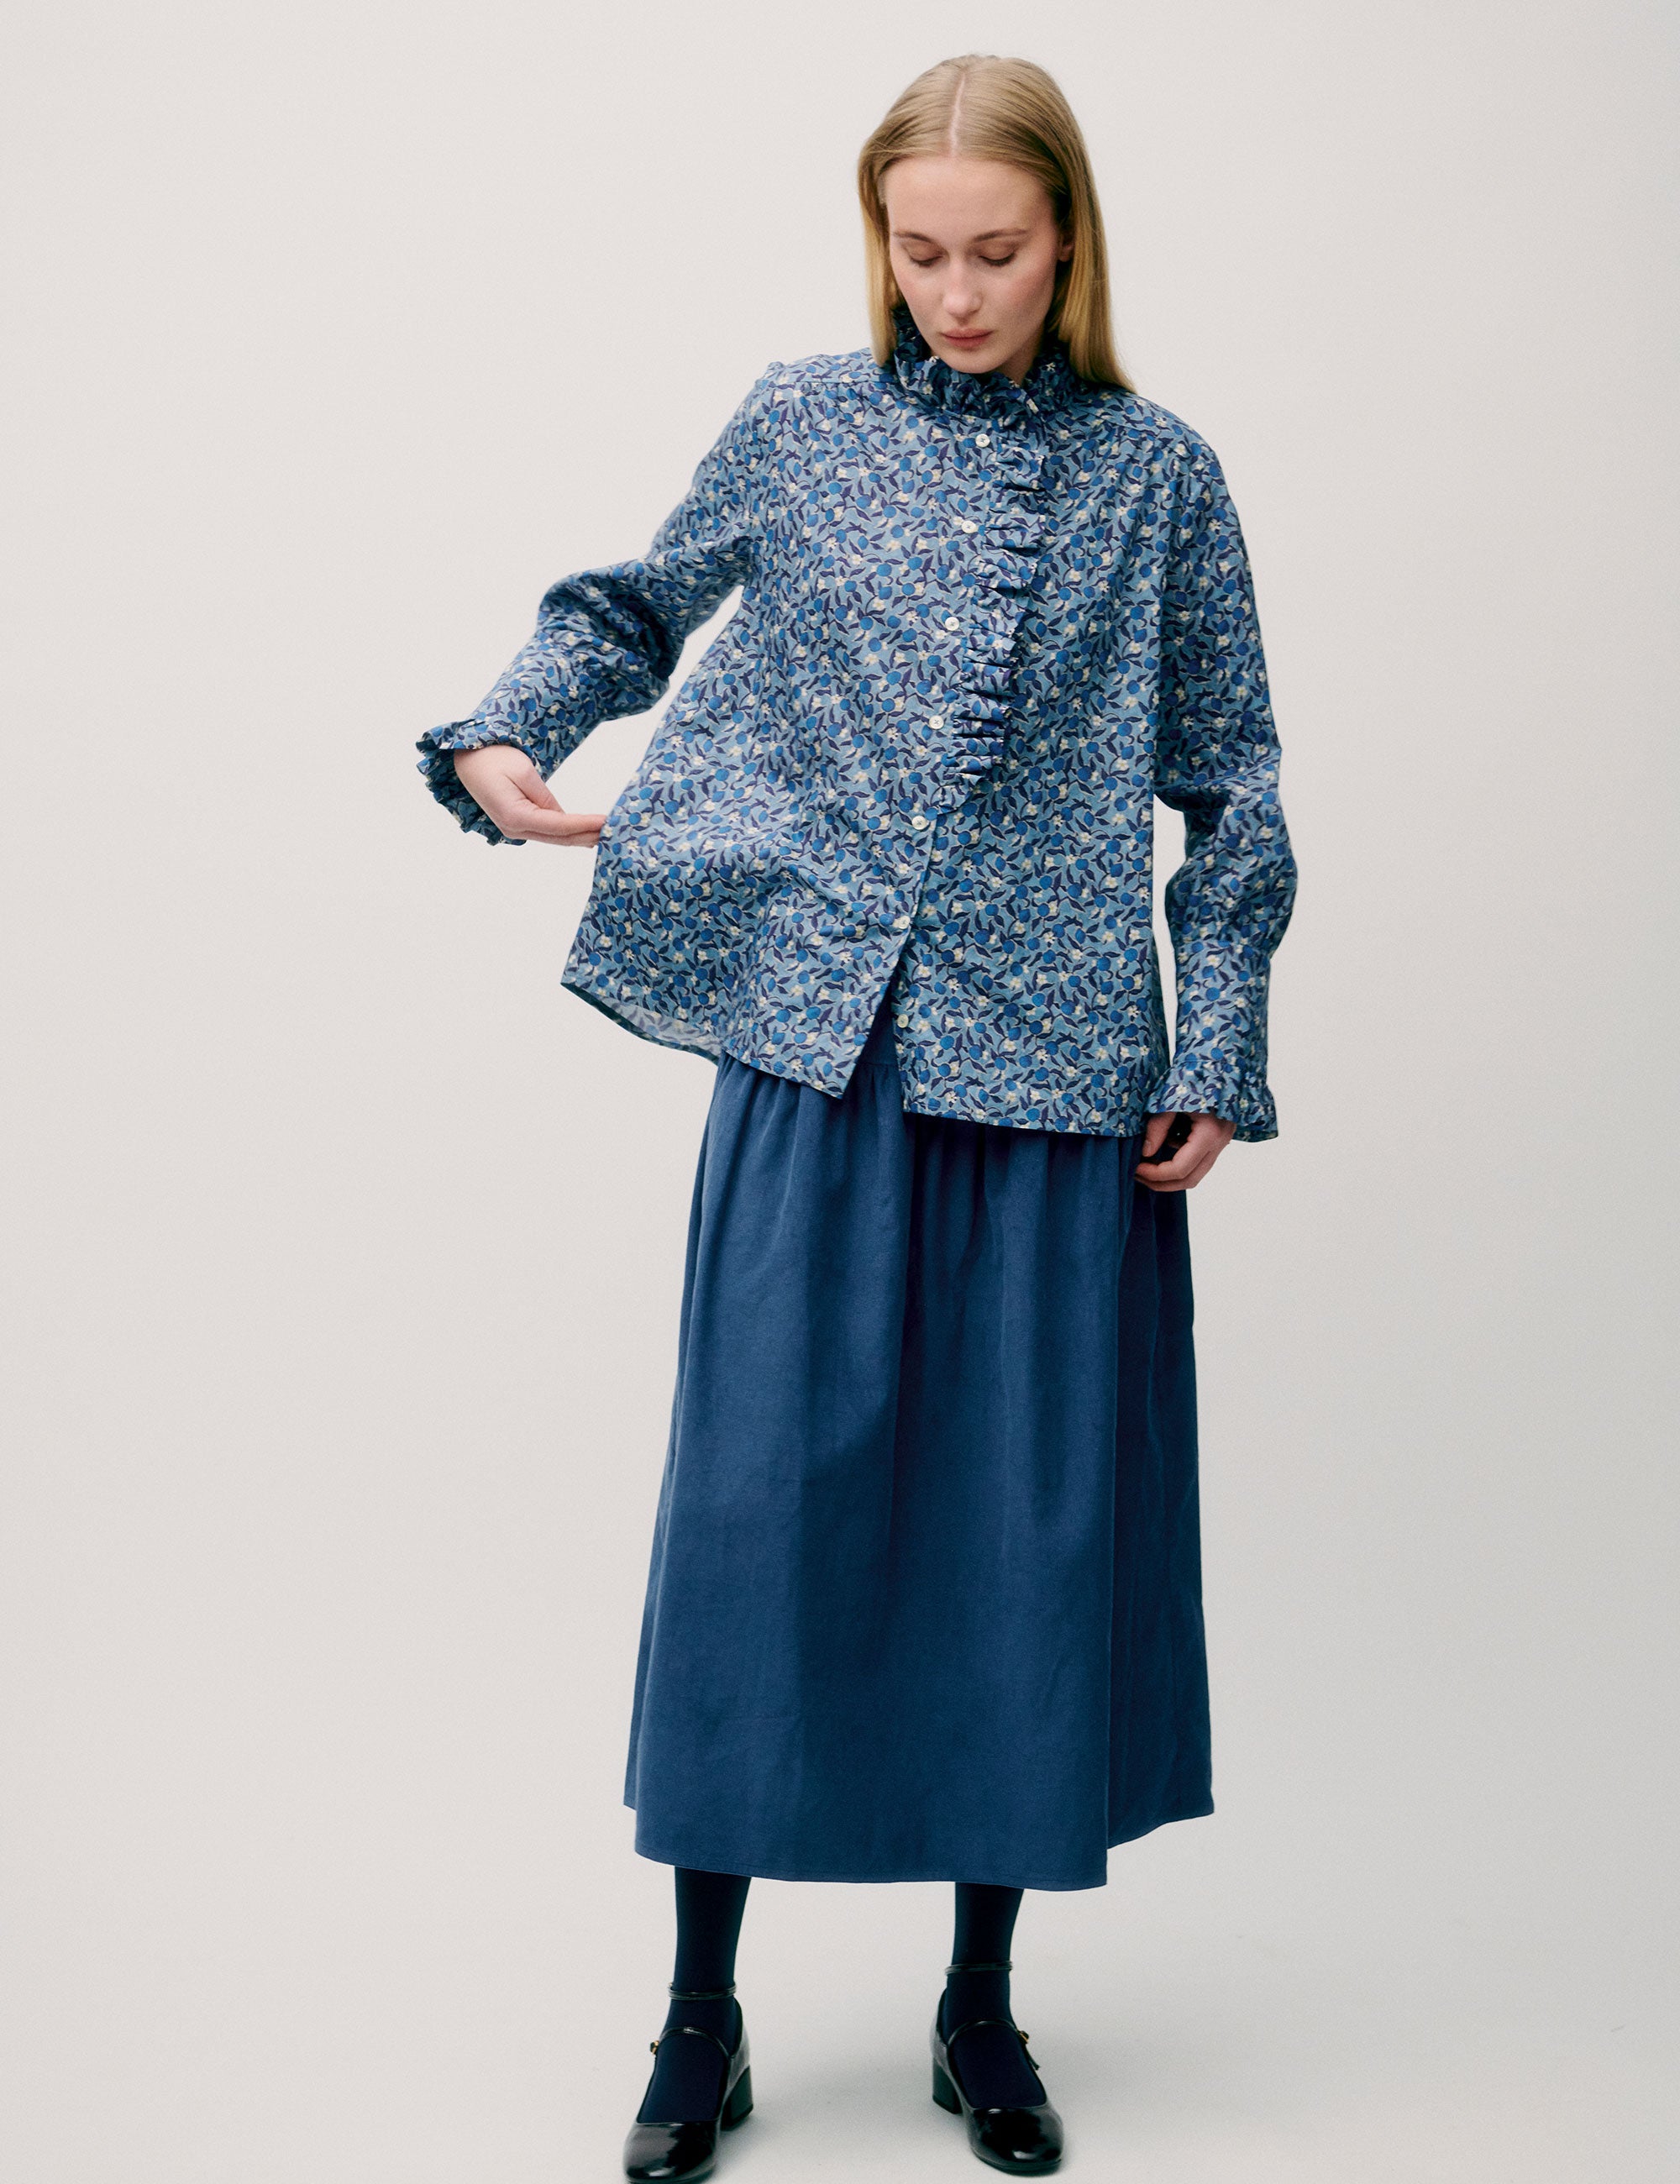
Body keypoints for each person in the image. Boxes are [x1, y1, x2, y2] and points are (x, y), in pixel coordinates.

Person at [417, 50, 1294, 2182]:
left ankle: (979, 2006)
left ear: (1069, 239)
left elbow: (1235, 786)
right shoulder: (800, 424)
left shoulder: (1157, 474)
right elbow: (632, 603)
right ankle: (699, 2013)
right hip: (812, 1044)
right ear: (875, 239)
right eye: (919, 251)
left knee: (1024, 1530)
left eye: (996, 251)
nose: (955, 291)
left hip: (1056, 1071)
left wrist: (1216, 1042)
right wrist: (502, 733)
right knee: (754, 1518)